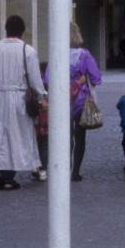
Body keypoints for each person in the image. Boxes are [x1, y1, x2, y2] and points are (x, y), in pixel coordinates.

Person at [0, 15, 47, 190]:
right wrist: (41, 97)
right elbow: (35, 79)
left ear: (6, 30)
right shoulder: (28, 50)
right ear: (22, 31)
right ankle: (6, 176)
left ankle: (0, 172)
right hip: (18, 98)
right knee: (15, 136)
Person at [46, 22, 102, 182]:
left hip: (61, 100)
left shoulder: (57, 54)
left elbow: (48, 78)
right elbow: (96, 77)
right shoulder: (85, 55)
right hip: (80, 100)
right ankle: (75, 171)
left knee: (65, 137)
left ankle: (64, 167)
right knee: (80, 137)